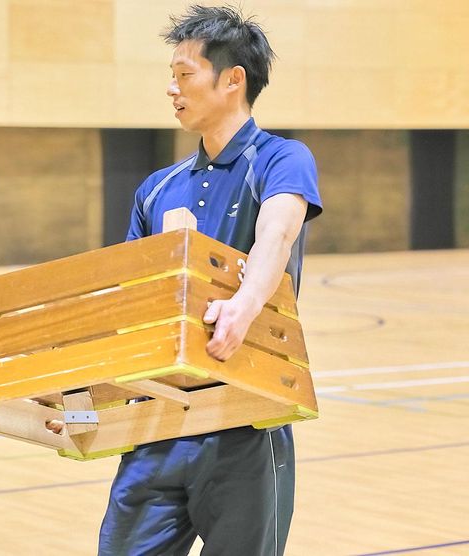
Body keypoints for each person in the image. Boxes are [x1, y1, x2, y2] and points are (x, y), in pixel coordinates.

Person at [97, 6, 323, 555]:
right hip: (156, 423)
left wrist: (243, 306)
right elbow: (133, 300)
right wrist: (86, 396)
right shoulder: (157, 187)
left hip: (247, 423)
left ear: (232, 80)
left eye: (184, 74)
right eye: (171, 76)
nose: (171, 89)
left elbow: (277, 235)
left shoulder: (282, 160)